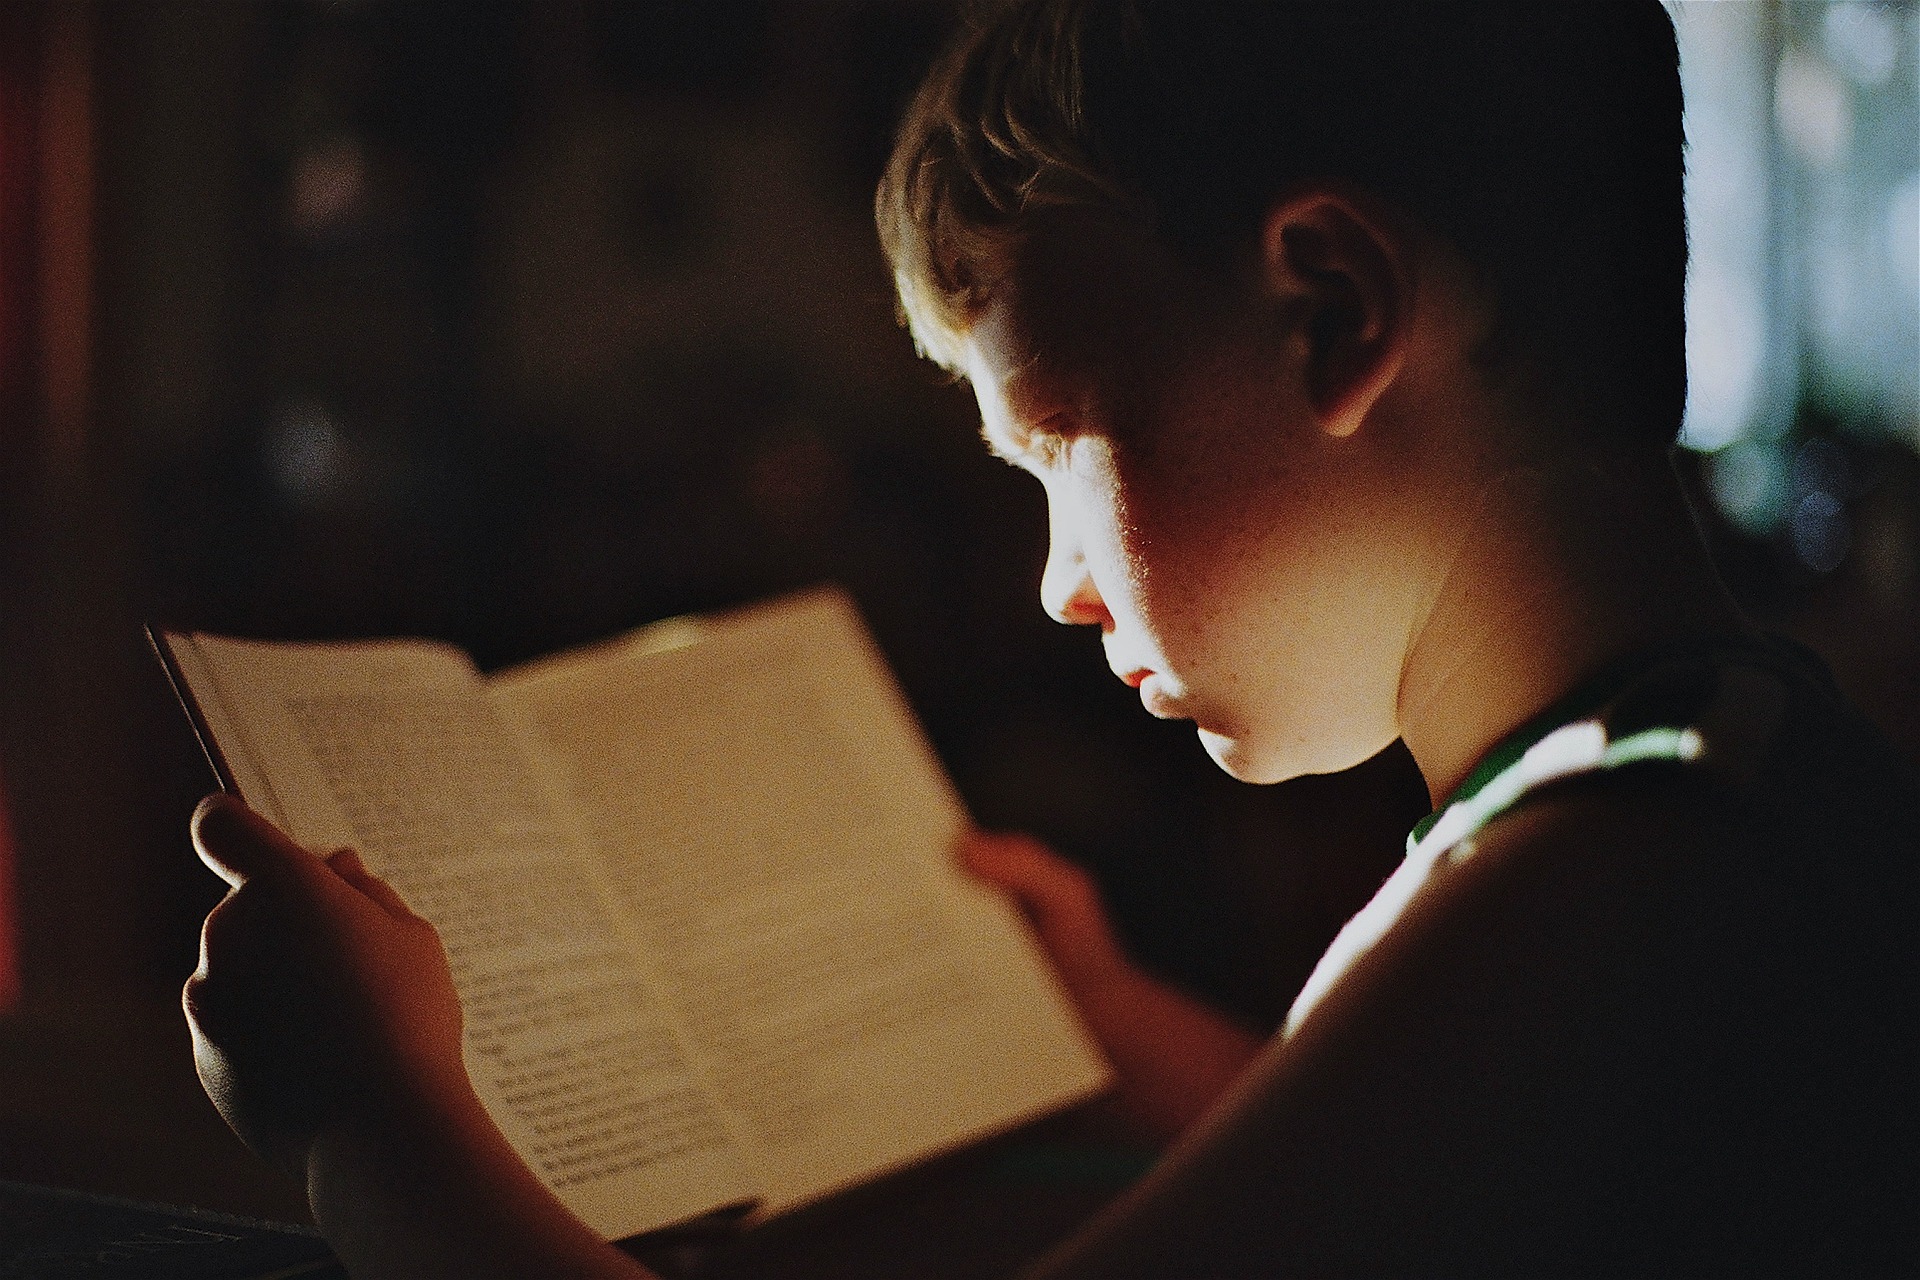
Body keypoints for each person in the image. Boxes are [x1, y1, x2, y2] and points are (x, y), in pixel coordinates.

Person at [184, 1, 1917, 1275]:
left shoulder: (1606, 892)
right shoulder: (1713, 782)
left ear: (1332, 313)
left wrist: (380, 1124)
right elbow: (1461, 1192)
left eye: (1066, 446)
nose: (1057, 585)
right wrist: (1116, 1030)